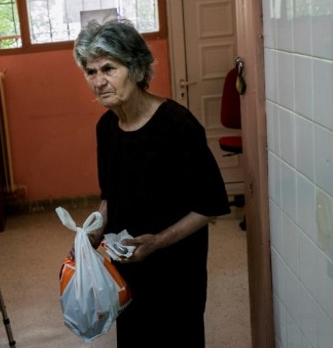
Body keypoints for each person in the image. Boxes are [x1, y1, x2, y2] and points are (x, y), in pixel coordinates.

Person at [73, 18, 231, 347]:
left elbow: (210, 205)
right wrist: (91, 232)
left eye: (109, 69)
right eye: (91, 72)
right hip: (127, 268)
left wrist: (157, 242)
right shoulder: (107, 128)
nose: (99, 82)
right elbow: (110, 198)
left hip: (176, 271)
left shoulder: (177, 126)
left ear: (137, 68)